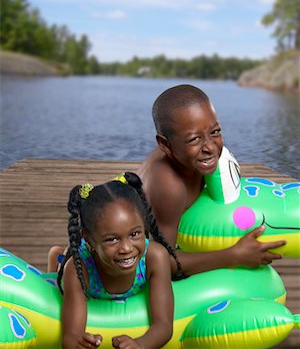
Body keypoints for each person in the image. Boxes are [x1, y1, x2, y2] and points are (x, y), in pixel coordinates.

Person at [137, 84, 286, 278]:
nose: (210, 147)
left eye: (215, 132)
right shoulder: (168, 186)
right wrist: (234, 255)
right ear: (165, 144)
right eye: (194, 139)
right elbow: (158, 262)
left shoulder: (191, 157)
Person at [57, 172, 175, 349]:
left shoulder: (154, 257)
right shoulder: (78, 269)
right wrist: (78, 343)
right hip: (83, 260)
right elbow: (71, 336)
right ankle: (57, 256)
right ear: (88, 239)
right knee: (62, 264)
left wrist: (140, 344)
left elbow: (164, 326)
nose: (126, 248)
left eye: (134, 234)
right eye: (112, 239)